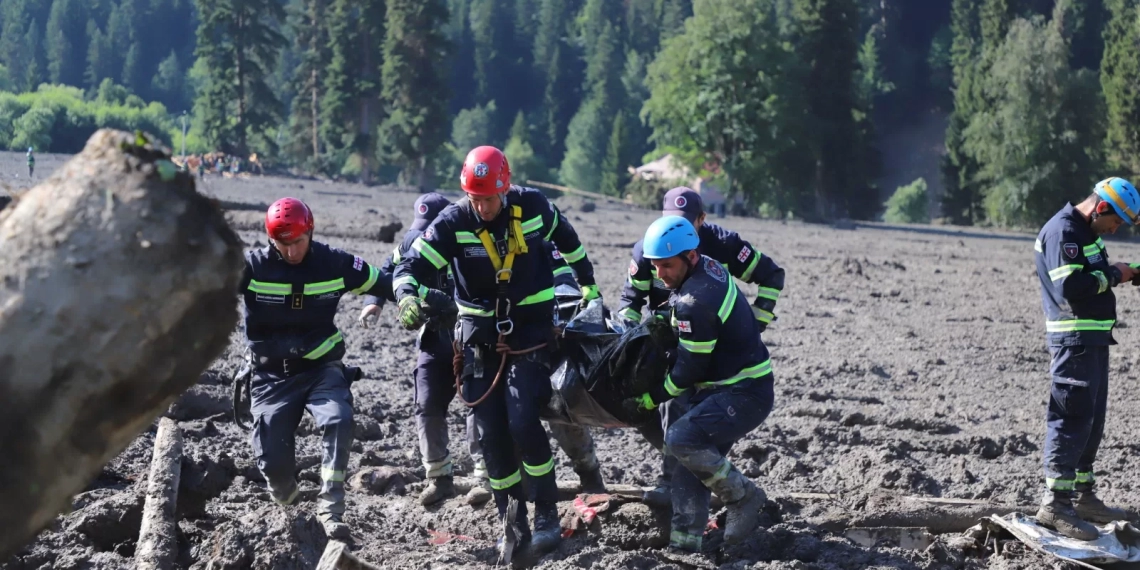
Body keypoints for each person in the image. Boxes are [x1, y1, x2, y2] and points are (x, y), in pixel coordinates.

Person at [392, 146, 600, 557]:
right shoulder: (452, 222)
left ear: (505, 189)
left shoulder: (534, 206)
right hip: (479, 337)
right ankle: (512, 521)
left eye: (488, 198)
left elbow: (568, 239)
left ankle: (546, 515)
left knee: (522, 420)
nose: (482, 207)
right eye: (474, 198)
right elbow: (409, 267)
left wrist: (588, 283)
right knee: (491, 434)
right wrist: (406, 297)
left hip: (531, 331)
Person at [617, 187, 785, 507]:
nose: (677, 228)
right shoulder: (648, 250)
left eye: (687, 220)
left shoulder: (723, 245)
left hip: (715, 356)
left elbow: (772, 276)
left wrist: (757, 324)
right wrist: (629, 342)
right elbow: (630, 301)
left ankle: (696, 488)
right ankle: (676, 482)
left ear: (702, 219)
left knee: (684, 422)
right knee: (660, 412)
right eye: (671, 219)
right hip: (673, 347)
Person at [239, 197, 393, 540]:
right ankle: (292, 509)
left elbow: (382, 282)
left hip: (321, 368)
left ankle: (330, 508)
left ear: (310, 232)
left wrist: (417, 298)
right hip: (270, 376)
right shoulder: (251, 268)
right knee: (274, 468)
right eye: (283, 244)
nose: (292, 251)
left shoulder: (334, 263)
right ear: (271, 239)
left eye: (298, 241)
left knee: (339, 418)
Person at [358, 193, 490, 506]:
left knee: (478, 404)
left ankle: (486, 478)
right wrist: (374, 302)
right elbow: (388, 270)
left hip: (472, 337)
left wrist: (439, 299)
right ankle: (439, 478)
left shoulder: (469, 244)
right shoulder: (411, 242)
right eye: (421, 227)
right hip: (435, 337)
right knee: (427, 403)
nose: (425, 235)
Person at [1033, 177, 1138, 539]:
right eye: (1116, 221)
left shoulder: (1086, 233)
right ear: (1101, 208)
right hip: (1073, 339)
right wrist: (1114, 274)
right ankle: (1055, 506)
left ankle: (1083, 496)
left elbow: (1094, 276)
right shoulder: (1063, 231)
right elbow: (1071, 286)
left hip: (1092, 339)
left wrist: (1127, 272)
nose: (1116, 229)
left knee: (1091, 422)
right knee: (1071, 419)